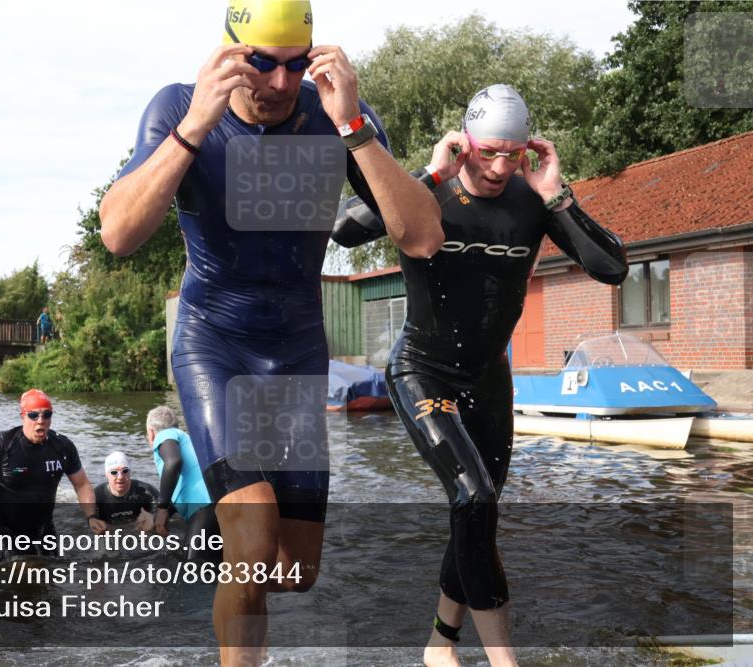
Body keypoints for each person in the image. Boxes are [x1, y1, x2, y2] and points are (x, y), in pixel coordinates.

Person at [98, 2, 443, 660]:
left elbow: (423, 236)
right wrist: (197, 126)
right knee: (252, 545)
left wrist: (354, 127)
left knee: (291, 570)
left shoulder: (335, 115)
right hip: (215, 341)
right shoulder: (179, 105)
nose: (282, 84)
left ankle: (229, 590)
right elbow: (117, 233)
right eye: (262, 63)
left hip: (295, 350)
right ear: (231, 54)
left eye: (296, 64)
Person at [333, 83, 628, 667]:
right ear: (463, 144)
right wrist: (428, 176)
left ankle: (440, 645)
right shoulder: (432, 194)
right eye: (487, 151)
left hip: (488, 381)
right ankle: (502, 660)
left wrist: (557, 198)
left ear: (529, 152)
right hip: (423, 372)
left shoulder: (530, 202)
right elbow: (347, 228)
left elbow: (612, 268)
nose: (498, 168)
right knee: (472, 496)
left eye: (512, 156)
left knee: (478, 511)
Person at [0, 389, 102, 559]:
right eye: (33, 415)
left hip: (43, 528)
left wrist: (91, 516)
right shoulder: (1, 444)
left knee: (51, 579)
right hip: (3, 530)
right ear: (23, 415)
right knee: (18, 574)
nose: (41, 421)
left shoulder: (63, 447)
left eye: (47, 415)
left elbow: (81, 484)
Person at [146, 406, 219, 562]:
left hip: (205, 507)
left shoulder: (164, 435)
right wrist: (159, 515)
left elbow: (173, 462)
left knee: (193, 568)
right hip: (217, 505)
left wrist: (162, 508)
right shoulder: (188, 440)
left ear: (151, 432)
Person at [93, 452, 159, 532]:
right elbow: (88, 521)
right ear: (106, 474)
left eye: (125, 471)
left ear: (130, 472)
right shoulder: (97, 496)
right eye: (114, 472)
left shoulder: (147, 492)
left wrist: (153, 518)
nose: (120, 477)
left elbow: (164, 513)